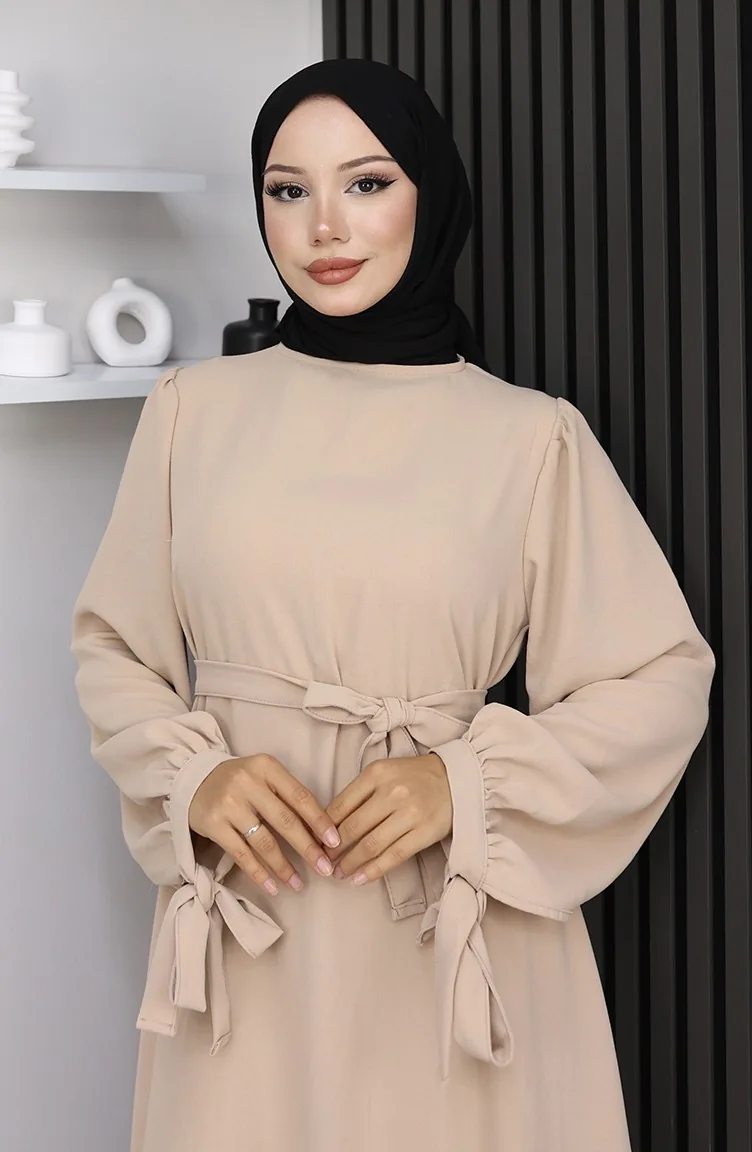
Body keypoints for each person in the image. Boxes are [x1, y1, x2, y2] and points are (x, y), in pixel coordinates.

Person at [71, 58, 715, 1152]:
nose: (323, 225)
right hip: (251, 924)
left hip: (447, 932)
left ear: (431, 192)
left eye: (366, 183)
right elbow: (114, 646)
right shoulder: (189, 410)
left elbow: (657, 677)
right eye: (287, 189)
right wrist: (195, 777)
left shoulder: (530, 436)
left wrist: (465, 782)